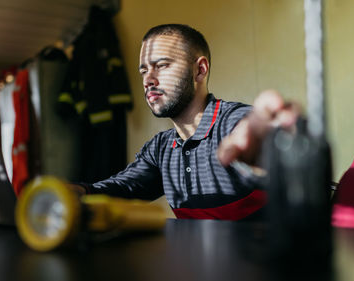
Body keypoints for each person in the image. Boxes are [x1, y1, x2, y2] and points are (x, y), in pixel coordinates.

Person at [73, 24, 298, 220]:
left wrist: (270, 143)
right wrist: (79, 192)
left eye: (161, 65)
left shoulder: (234, 124)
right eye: (143, 70)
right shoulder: (160, 149)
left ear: (200, 70)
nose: (148, 80)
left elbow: (263, 141)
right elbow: (122, 187)